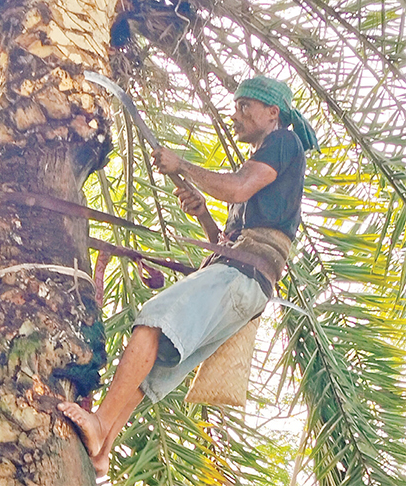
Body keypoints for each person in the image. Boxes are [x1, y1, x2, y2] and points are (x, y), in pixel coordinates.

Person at [58, 75, 318, 477]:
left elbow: (237, 189)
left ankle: (100, 422)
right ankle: (102, 448)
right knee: (153, 364)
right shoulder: (270, 164)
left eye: (244, 106)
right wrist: (203, 215)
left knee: (153, 320)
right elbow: (226, 237)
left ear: (273, 113)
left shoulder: (282, 142)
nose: (236, 115)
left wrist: (182, 165)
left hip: (241, 277)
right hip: (240, 278)